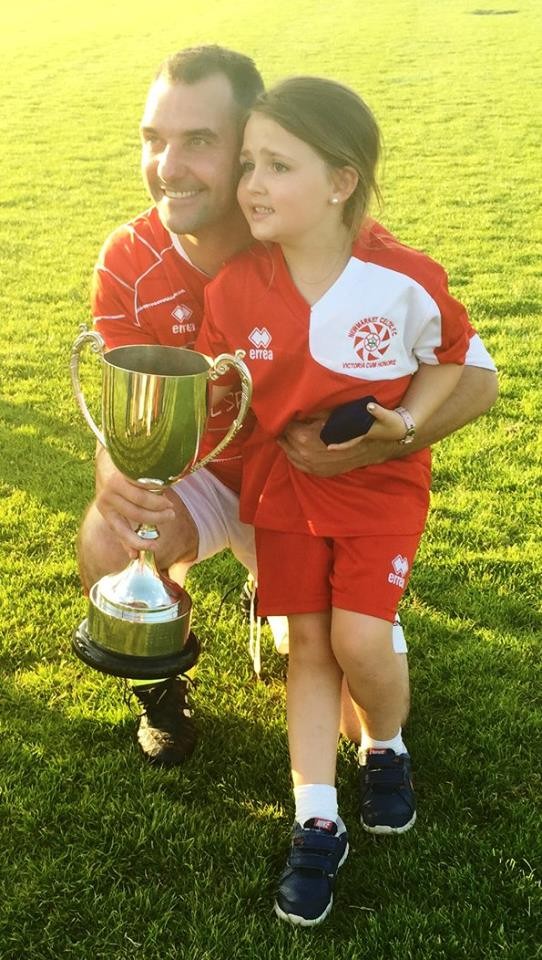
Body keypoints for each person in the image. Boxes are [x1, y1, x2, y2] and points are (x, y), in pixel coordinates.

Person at [77, 46, 498, 769]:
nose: (168, 166)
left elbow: (477, 380)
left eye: (199, 141)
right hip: (209, 475)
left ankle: (284, 591)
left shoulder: (332, 237)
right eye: (153, 139)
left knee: (360, 719)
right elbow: (129, 411)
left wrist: (382, 443)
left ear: (254, 142)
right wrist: (117, 467)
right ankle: (163, 693)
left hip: (313, 484)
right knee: (111, 539)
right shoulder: (129, 259)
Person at [196, 75, 494, 926]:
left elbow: (451, 357)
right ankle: (316, 820)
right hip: (284, 491)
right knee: (310, 648)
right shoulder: (234, 290)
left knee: (362, 639)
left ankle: (385, 747)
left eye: (278, 165)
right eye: (248, 164)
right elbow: (222, 391)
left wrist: (407, 425)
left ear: (341, 181)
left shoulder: (402, 278)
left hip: (380, 492)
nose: (252, 184)